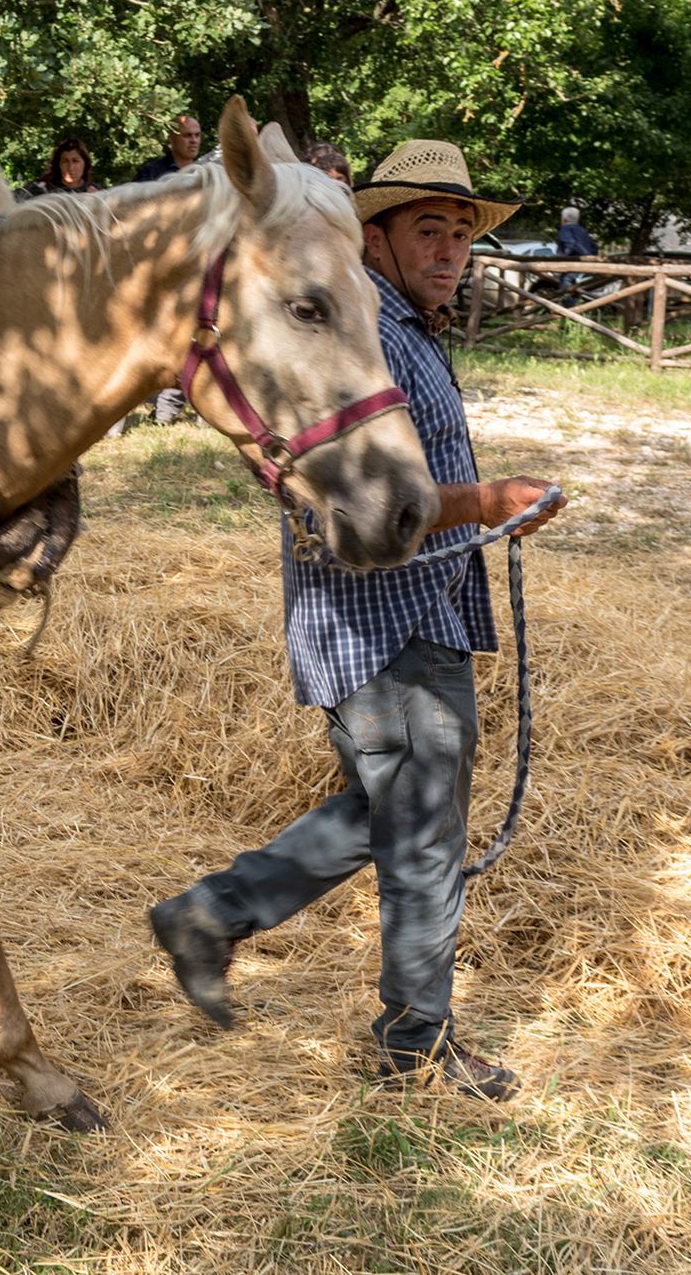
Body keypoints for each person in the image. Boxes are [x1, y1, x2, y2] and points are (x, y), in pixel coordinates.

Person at [148, 138, 567, 1102]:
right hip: (384, 617)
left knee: (395, 811)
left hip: (410, 608)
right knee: (421, 836)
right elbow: (370, 496)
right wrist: (490, 500)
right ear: (374, 238)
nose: (450, 249)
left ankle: (211, 915)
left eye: (461, 232)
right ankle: (415, 1046)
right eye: (429, 229)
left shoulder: (401, 329)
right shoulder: (375, 336)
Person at [132, 113, 202, 183]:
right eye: (187, 135)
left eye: (197, 135)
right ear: (171, 139)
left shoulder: (203, 171)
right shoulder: (151, 173)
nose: (194, 140)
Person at [29, 137, 99, 195]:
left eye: (75, 161)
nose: (70, 167)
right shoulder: (40, 189)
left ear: (85, 163)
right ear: (58, 164)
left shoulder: (96, 192)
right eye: (65, 162)